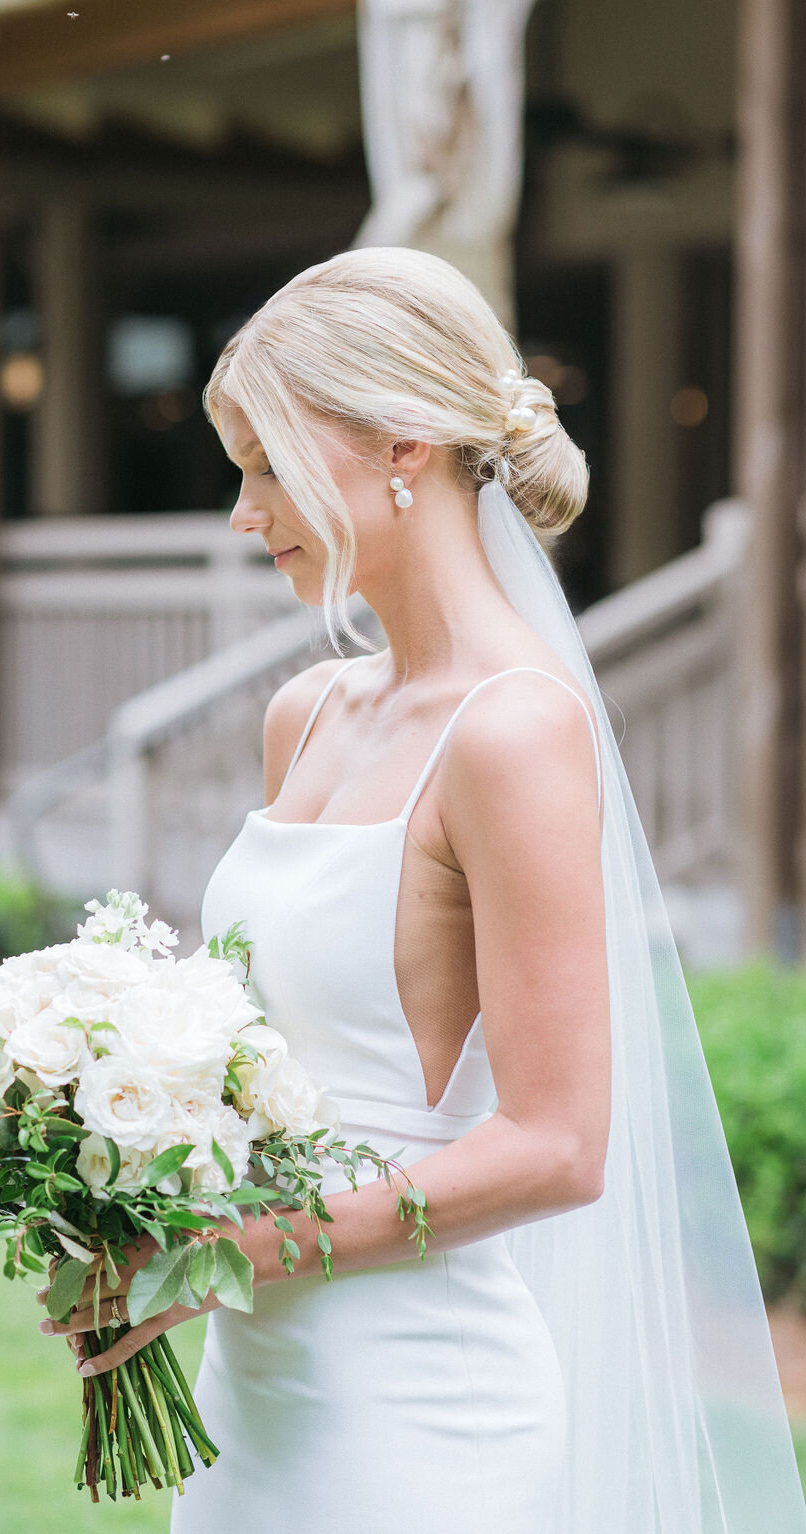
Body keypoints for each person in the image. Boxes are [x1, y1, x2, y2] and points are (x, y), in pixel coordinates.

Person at [43, 247, 806, 1533]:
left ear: (402, 448)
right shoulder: (306, 714)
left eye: (269, 465)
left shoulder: (512, 733)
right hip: (253, 1400)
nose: (243, 512)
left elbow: (558, 1147)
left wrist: (227, 1254)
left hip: (417, 1424)